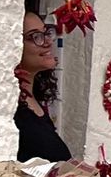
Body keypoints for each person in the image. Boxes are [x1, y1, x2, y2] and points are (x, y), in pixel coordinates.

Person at [14, 12, 69, 163]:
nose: (47, 42)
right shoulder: (12, 109)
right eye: (35, 36)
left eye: (46, 33)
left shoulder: (36, 103)